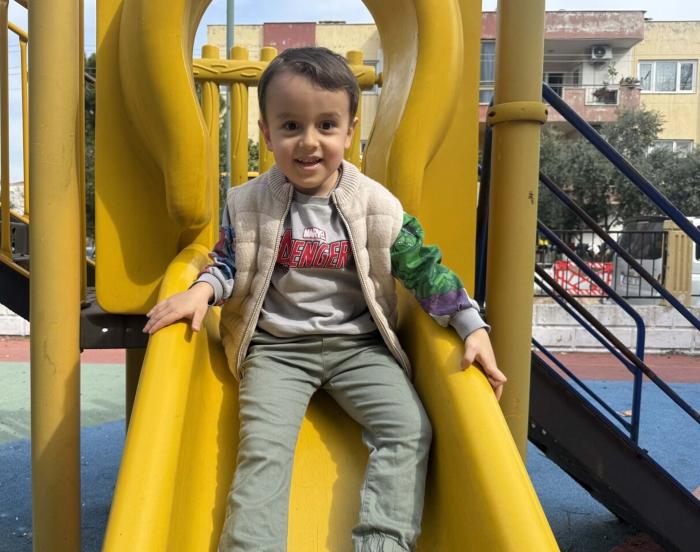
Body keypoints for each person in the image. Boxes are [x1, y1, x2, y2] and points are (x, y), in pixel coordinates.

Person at [144, 47, 506, 552]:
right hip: (276, 350)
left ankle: (382, 543)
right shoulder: (248, 203)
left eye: (327, 125)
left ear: (350, 131)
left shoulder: (377, 205)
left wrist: (472, 326)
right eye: (291, 126)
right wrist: (200, 292)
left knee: (410, 429)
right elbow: (228, 261)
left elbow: (424, 269)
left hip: (359, 348)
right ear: (267, 132)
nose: (309, 141)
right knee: (263, 449)